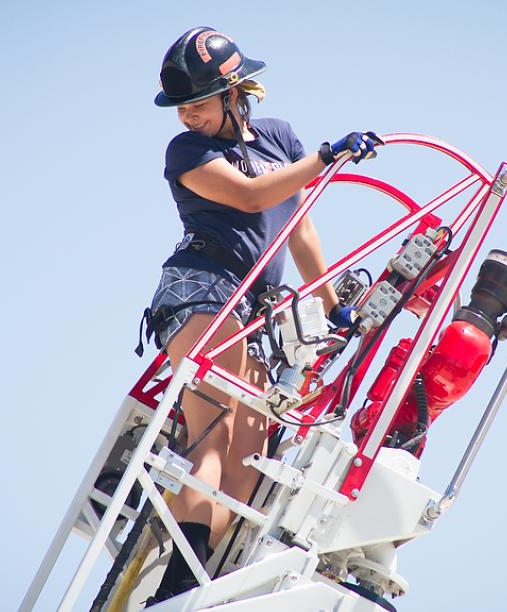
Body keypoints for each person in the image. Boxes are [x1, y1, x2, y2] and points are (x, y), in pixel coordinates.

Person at [142, 26, 383, 602]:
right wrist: (326, 158)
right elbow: (253, 198)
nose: (186, 117)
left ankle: (195, 580)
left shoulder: (276, 136)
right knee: (216, 427)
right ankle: (175, 585)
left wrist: (333, 306)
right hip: (201, 290)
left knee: (248, 466)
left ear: (233, 92)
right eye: (181, 108)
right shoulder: (188, 153)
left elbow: (298, 228)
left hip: (249, 309)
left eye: (196, 104)